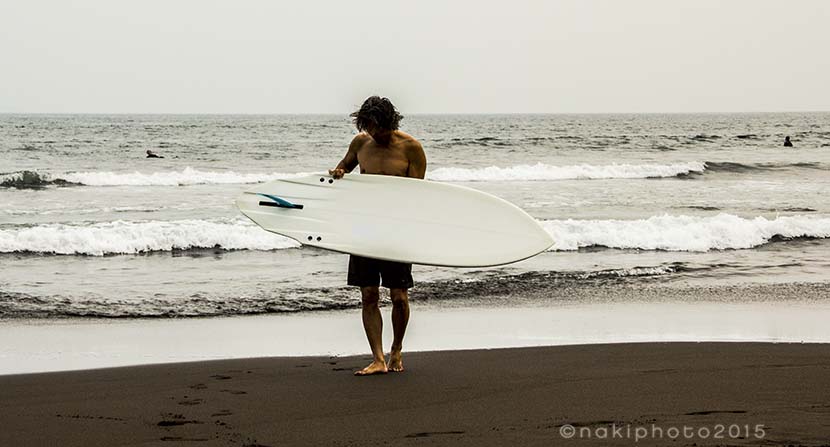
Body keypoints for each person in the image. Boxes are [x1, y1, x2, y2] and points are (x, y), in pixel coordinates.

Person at [329, 96, 427, 376]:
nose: (373, 133)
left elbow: (417, 196)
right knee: (369, 294)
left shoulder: (412, 149)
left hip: (397, 229)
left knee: (399, 297)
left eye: (377, 128)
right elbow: (344, 167)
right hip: (363, 228)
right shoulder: (361, 143)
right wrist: (339, 172)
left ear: (389, 123)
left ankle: (396, 349)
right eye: (368, 127)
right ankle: (378, 358)